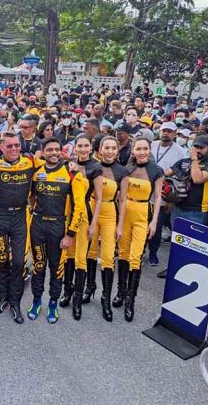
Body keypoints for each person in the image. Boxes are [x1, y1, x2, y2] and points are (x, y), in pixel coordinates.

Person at [27, 138, 85, 324]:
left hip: (58, 226)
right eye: (49, 149)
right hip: (38, 224)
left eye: (56, 149)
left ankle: (53, 303)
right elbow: (31, 196)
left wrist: (70, 234)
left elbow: (79, 207)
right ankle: (36, 301)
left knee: (56, 267)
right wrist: (32, 209)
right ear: (43, 152)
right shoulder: (37, 172)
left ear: (61, 152)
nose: (53, 153)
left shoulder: (71, 173)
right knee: (38, 265)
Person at [0, 132, 37, 324]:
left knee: (19, 262)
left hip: (20, 216)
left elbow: (53, 163)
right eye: (9, 146)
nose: (14, 149)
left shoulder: (31, 161)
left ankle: (15, 302)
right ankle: (3, 297)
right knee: (2, 258)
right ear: (1, 147)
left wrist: (71, 164)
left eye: (16, 145)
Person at [116, 137, 163, 322]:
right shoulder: (126, 169)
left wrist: (154, 221)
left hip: (143, 215)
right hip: (125, 213)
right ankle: (120, 291)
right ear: (133, 150)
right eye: (138, 149)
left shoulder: (156, 170)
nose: (142, 152)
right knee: (123, 254)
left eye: (145, 148)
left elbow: (158, 197)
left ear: (149, 150)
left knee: (136, 257)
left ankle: (130, 300)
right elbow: (119, 194)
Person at [59, 134, 103, 320]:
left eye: (86, 145)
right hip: (67, 213)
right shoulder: (67, 164)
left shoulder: (96, 168)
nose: (83, 149)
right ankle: (67, 292)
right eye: (80, 146)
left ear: (91, 147)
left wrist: (93, 224)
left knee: (80, 258)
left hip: (84, 214)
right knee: (68, 255)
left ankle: (77, 299)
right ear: (75, 147)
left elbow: (98, 198)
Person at [87, 137, 128, 322]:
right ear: (100, 149)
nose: (110, 151)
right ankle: (90, 287)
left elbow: (123, 200)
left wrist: (120, 224)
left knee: (108, 257)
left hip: (110, 212)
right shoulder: (93, 167)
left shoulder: (122, 171)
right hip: (92, 210)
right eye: (107, 148)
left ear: (117, 151)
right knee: (90, 252)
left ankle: (106, 298)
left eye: (113, 148)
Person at [147, 122, 187, 265]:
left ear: (175, 134)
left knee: (157, 226)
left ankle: (153, 253)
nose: (165, 133)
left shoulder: (180, 152)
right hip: (145, 190)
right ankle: (139, 252)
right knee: (142, 223)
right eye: (164, 131)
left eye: (169, 131)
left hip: (164, 193)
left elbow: (180, 176)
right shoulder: (151, 145)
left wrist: (171, 200)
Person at [165, 134, 208, 226]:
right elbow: (164, 175)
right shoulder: (184, 161)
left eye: (201, 148)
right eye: (196, 147)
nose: (198, 150)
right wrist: (168, 195)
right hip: (177, 207)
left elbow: (197, 179)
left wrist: (194, 159)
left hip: (197, 211)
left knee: (192, 236)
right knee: (175, 234)